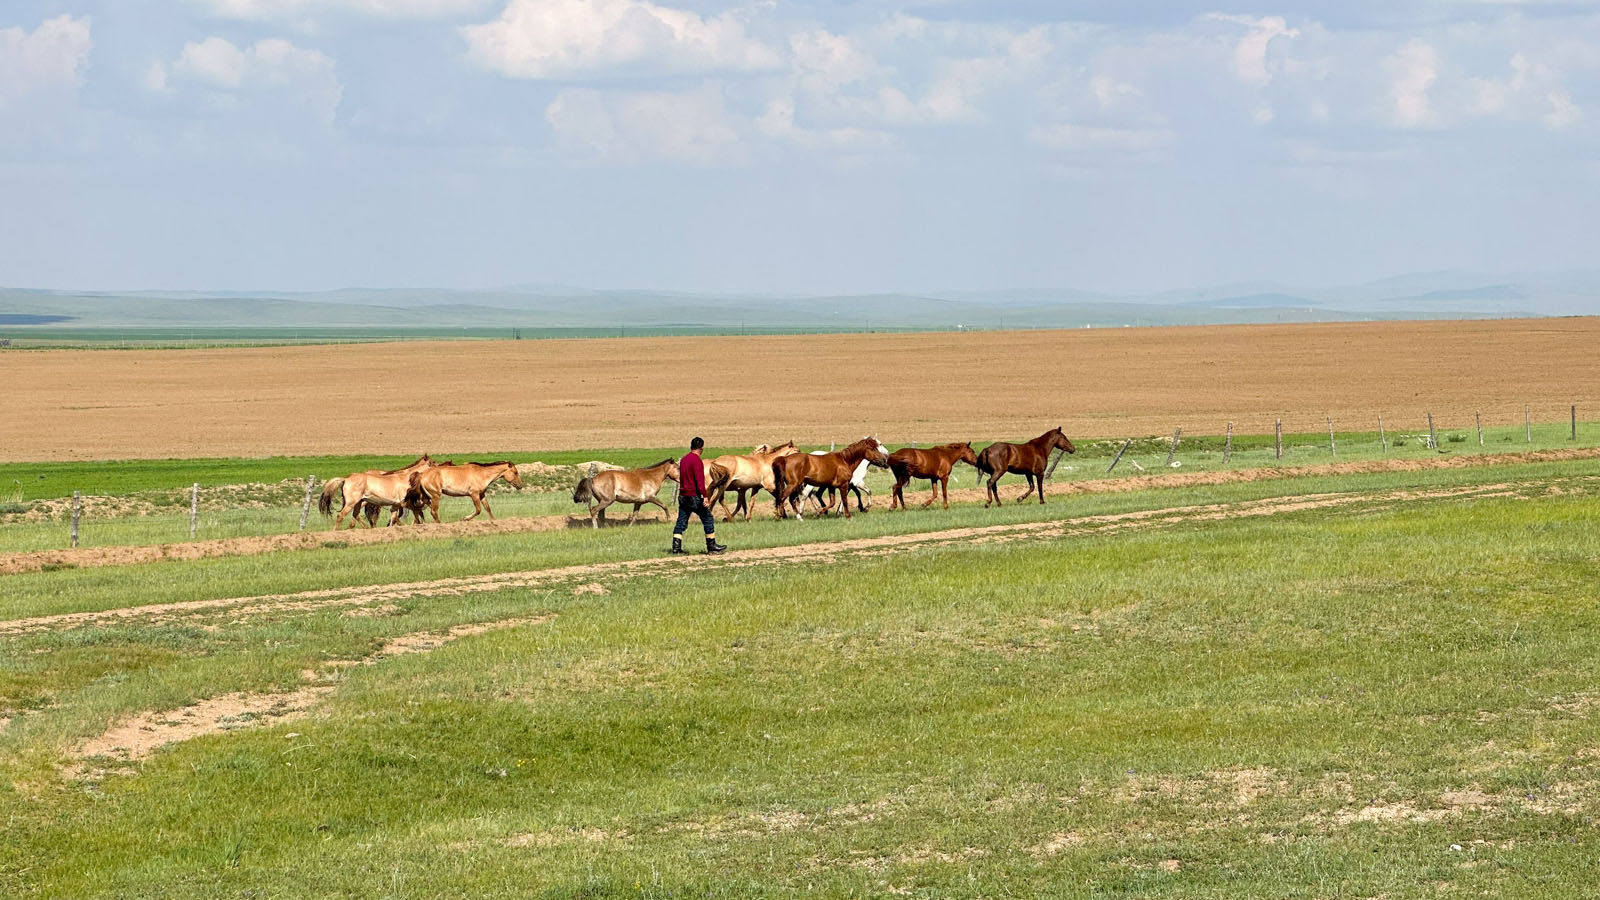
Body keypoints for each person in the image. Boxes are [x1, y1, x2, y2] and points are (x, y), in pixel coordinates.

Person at [671, 436, 726, 555]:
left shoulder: (684, 459)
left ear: (691, 447)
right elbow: (699, 481)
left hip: (682, 496)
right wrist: (705, 497)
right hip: (693, 496)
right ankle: (711, 546)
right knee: (708, 518)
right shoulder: (696, 461)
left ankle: (676, 548)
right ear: (701, 449)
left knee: (681, 521)